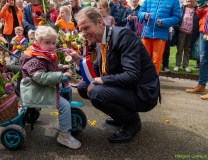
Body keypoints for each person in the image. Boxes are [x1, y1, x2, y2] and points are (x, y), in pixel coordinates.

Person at [66, 6, 160, 143]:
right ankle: (122, 116)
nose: (83, 34)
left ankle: (132, 122)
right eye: (81, 30)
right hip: (128, 88)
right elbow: (95, 71)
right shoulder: (100, 42)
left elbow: (132, 75)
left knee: (97, 93)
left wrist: (99, 80)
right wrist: (78, 61)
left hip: (143, 92)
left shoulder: (123, 36)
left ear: (99, 22)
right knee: (83, 88)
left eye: (86, 28)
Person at [20, 26, 81, 149]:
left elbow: (47, 68)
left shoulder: (44, 54)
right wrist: (61, 76)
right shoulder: (35, 59)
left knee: (67, 89)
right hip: (36, 91)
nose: (52, 46)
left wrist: (60, 67)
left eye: (53, 43)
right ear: (37, 42)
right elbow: (40, 77)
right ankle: (64, 135)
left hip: (41, 88)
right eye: (47, 43)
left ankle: (67, 122)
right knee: (64, 105)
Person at [138, 0, 180, 74]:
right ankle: (142, 79)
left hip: (160, 35)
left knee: (156, 60)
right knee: (142, 59)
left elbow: (176, 17)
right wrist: (144, 15)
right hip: (146, 33)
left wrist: (164, 22)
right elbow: (140, 13)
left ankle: (153, 82)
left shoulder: (174, 1)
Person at [186, 3, 208, 100]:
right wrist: (199, 9)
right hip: (204, 31)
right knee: (203, 60)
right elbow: (200, 16)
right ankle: (201, 85)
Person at [173, 0, 199, 73]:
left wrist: (197, 34)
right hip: (182, 32)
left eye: (191, 0)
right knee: (180, 49)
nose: (189, 0)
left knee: (187, 50)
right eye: (188, 0)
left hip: (192, 33)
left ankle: (186, 66)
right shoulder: (181, 8)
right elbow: (176, 19)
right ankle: (177, 65)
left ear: (194, 1)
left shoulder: (197, 10)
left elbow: (199, 22)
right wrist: (178, 27)